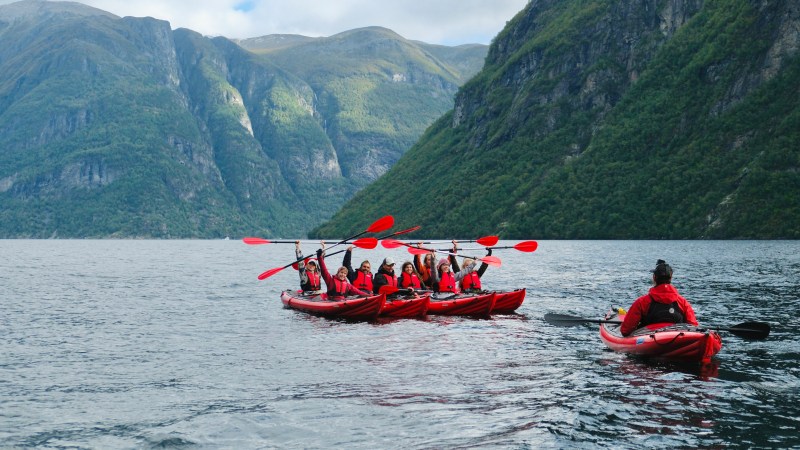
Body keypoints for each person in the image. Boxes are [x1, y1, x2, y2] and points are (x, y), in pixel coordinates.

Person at [620, 259, 699, 336]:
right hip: (677, 338)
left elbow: (625, 331)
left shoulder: (642, 302)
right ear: (671, 278)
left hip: (648, 340)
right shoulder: (683, 302)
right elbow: (693, 327)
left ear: (654, 278)